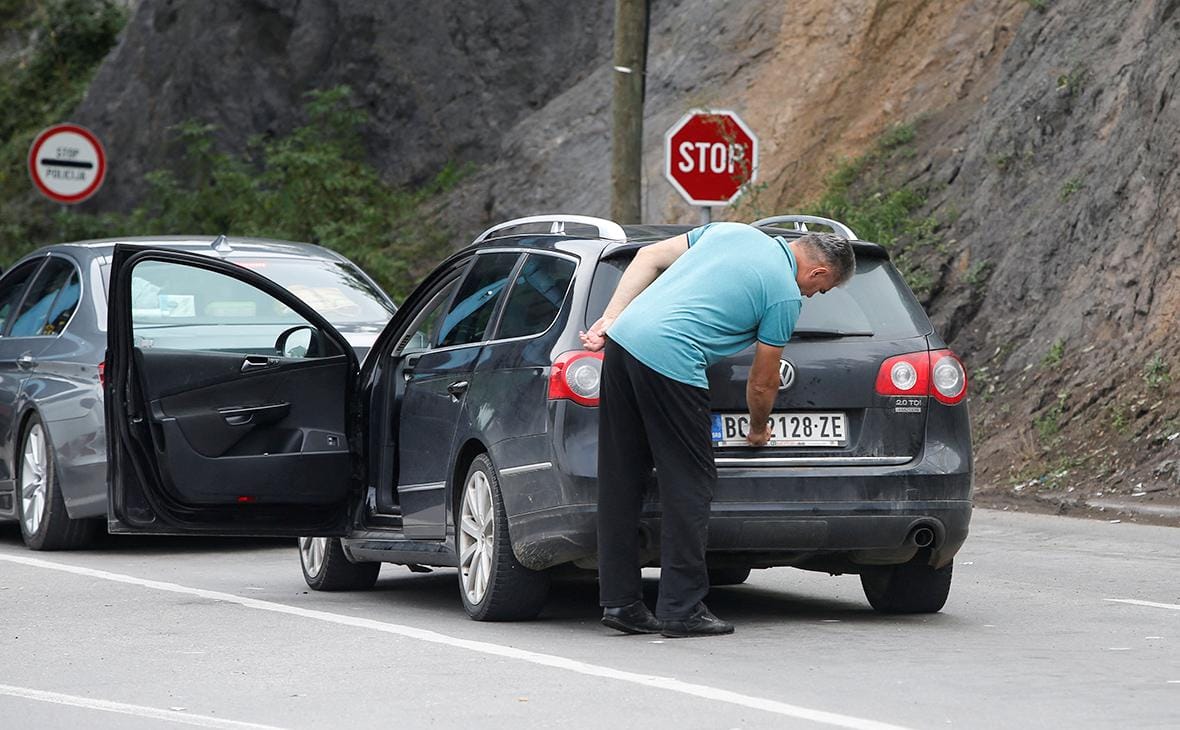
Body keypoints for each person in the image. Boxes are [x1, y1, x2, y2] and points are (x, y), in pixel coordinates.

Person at [580, 222, 855, 638]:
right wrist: (758, 430)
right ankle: (681, 608)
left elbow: (647, 257)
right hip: (671, 361)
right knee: (689, 484)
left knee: (622, 478)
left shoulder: (731, 231)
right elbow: (763, 382)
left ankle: (621, 603)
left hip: (622, 345)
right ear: (818, 272)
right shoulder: (783, 293)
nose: (813, 295)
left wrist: (610, 319)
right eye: (823, 289)